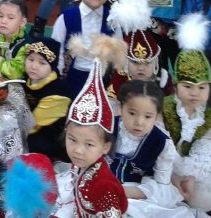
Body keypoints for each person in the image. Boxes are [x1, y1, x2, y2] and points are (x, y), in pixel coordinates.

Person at [52, 57, 128, 217]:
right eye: (72, 140)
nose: (78, 150)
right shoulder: (81, 164)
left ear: (105, 147)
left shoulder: (103, 186)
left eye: (89, 144)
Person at [162, 13, 211, 215]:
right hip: (168, 175)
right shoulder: (165, 109)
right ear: (176, 86)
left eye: (202, 87)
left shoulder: (209, 116)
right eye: (188, 86)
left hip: (200, 181)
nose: (195, 93)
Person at [109, 80, 186, 216]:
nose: (139, 122)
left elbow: (162, 185)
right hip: (101, 184)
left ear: (156, 116)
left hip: (137, 194)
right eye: (132, 113)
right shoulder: (107, 128)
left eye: (148, 116)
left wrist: (124, 192)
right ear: (120, 108)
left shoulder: (161, 143)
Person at [51, 0, 121, 96]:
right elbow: (56, 49)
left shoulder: (112, 19)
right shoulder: (67, 17)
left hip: (102, 80)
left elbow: (118, 52)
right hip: (71, 78)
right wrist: (58, 77)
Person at [107, 0, 173, 104]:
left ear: (156, 63)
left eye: (147, 63)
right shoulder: (120, 77)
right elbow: (112, 106)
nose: (141, 68)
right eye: (135, 62)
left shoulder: (162, 79)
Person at [23, 37, 73, 161]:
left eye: (42, 63)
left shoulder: (57, 94)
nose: (34, 66)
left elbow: (31, 125)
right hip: (28, 124)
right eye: (31, 59)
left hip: (48, 137)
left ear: (52, 66)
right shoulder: (28, 78)